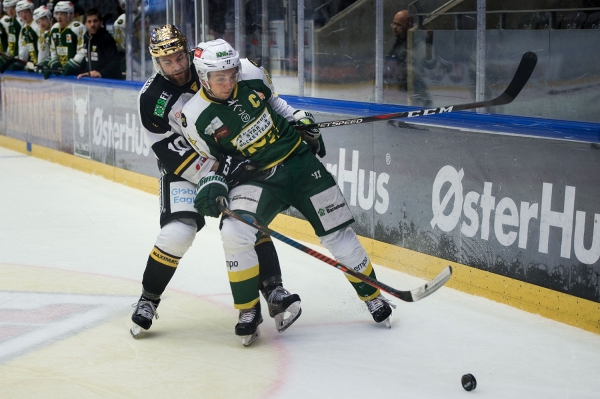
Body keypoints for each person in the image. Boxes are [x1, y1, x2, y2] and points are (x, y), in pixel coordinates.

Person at [180, 39, 396, 346]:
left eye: (232, 72)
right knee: (234, 231)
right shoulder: (194, 116)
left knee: (337, 233)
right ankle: (248, 312)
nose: (229, 80)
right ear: (203, 78)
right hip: (258, 179)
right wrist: (212, 182)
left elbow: (277, 103)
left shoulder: (251, 74)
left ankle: (373, 297)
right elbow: (210, 162)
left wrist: (299, 118)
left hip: (299, 163)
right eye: (220, 77)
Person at [133, 25, 300, 345]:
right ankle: (149, 298)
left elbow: (268, 103)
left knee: (246, 221)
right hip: (186, 171)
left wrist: (296, 119)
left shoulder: (216, 68)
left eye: (180, 56)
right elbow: (169, 152)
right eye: (168, 61)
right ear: (158, 63)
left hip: (233, 164)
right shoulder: (153, 98)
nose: (178, 66)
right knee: (177, 233)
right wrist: (213, 178)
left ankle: (274, 291)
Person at [385, 9, 431, 106]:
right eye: (393, 24)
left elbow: (417, 71)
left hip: (414, 91)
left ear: (409, 25)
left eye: (398, 25)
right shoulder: (400, 41)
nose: (394, 27)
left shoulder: (417, 44)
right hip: (405, 91)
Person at [38, 0, 86, 78]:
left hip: (77, 73)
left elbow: (82, 51)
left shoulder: (78, 28)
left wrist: (72, 64)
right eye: (57, 13)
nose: (59, 17)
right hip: (61, 71)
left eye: (62, 14)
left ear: (70, 15)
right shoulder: (54, 28)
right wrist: (54, 62)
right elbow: (53, 49)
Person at [76, 8, 121, 79]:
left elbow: (115, 61)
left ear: (101, 22)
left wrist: (101, 73)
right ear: (85, 23)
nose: (92, 24)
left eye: (95, 21)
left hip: (109, 81)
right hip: (93, 80)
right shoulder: (85, 37)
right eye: (89, 22)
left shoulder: (106, 38)